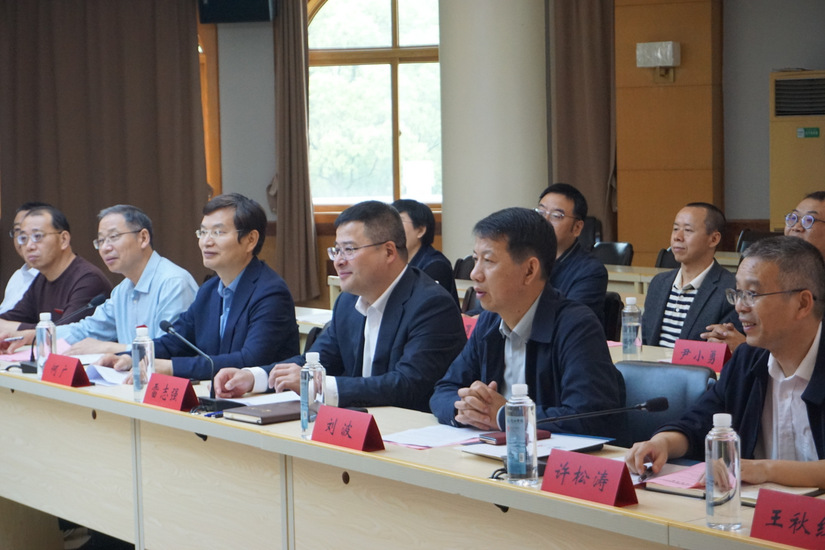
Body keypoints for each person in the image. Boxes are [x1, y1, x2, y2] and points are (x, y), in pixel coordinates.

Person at [215, 200, 466, 412]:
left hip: (411, 434)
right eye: (336, 250)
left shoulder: (431, 305)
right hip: (361, 427)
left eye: (349, 250)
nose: (338, 261)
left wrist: (318, 386)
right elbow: (317, 360)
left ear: (389, 252)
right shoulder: (348, 302)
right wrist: (253, 377)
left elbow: (407, 386)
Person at [627, 237, 825, 488]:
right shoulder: (748, 359)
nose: (740, 307)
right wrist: (662, 443)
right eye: (737, 293)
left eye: (752, 294)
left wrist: (765, 469)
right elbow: (700, 421)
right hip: (753, 506)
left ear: (802, 303)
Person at [429, 207, 625, 439]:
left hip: (548, 458)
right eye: (475, 259)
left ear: (530, 270)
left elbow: (590, 418)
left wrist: (505, 415)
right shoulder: (489, 321)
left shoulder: (577, 326)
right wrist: (466, 408)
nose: (474, 274)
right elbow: (444, 390)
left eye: (488, 261)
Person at [99, 193, 299, 380]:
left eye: (218, 232)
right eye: (203, 232)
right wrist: (130, 357)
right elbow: (176, 342)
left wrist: (171, 367)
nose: (206, 242)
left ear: (250, 240)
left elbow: (249, 360)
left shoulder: (271, 293)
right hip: (217, 393)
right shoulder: (209, 290)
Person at [1, 205, 199, 355]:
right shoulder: (123, 290)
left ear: (143, 238)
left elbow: (172, 350)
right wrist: (37, 335)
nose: (105, 248)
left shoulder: (174, 283)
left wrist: (109, 348)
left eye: (113, 237)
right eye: (101, 240)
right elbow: (87, 329)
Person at [703, 191, 825, 353]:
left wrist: (747, 348)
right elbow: (741, 326)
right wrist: (725, 334)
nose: (796, 227)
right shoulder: (766, 269)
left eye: (809, 220)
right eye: (793, 218)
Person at [642, 202, 740, 348]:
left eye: (688, 230)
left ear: (714, 239)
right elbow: (646, 342)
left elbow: (724, 347)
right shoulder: (659, 283)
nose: (677, 237)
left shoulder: (730, 289)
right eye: (675, 229)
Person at [0, 205, 112, 333]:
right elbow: (12, 317)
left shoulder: (89, 280)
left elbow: (64, 333)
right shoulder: (41, 279)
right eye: (23, 238)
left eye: (37, 236)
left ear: (64, 239)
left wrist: (11, 328)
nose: (29, 246)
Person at [536, 183, 607, 324]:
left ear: (577, 228)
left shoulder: (590, 271)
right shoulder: (524, 259)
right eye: (541, 213)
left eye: (556, 216)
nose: (544, 221)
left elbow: (570, 322)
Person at [391, 199, 459, 305]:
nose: (391, 229)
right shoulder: (394, 262)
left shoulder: (436, 266)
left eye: (399, 221)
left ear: (420, 230)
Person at [0, 201, 50, 314]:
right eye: (18, 231)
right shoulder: (17, 276)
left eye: (36, 234)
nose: (26, 241)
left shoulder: (52, 279)